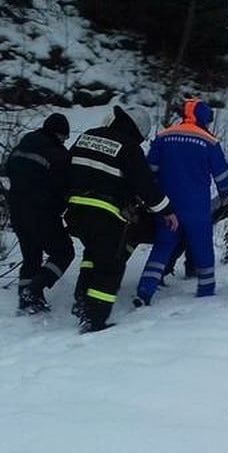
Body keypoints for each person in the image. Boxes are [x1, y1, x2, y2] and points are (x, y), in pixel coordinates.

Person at [65, 105, 178, 333]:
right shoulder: (129, 148)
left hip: (76, 210)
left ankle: (81, 300)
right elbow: (145, 185)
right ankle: (94, 319)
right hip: (105, 212)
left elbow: (66, 166)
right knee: (111, 265)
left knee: (92, 254)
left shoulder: (88, 136)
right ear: (137, 132)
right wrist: (167, 210)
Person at [133, 99, 228, 306]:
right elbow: (222, 176)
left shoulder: (163, 136)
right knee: (202, 247)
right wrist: (226, 196)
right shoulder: (209, 141)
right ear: (204, 118)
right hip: (197, 207)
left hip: (167, 206)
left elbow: (149, 170)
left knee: (162, 247)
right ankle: (206, 291)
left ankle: (144, 291)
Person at [4, 113, 75, 314]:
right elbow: (64, 186)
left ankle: (26, 302)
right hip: (41, 211)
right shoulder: (57, 154)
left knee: (31, 255)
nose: (64, 141)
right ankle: (35, 288)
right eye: (64, 137)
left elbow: (8, 168)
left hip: (16, 208)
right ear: (59, 134)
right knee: (63, 252)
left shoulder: (24, 144)